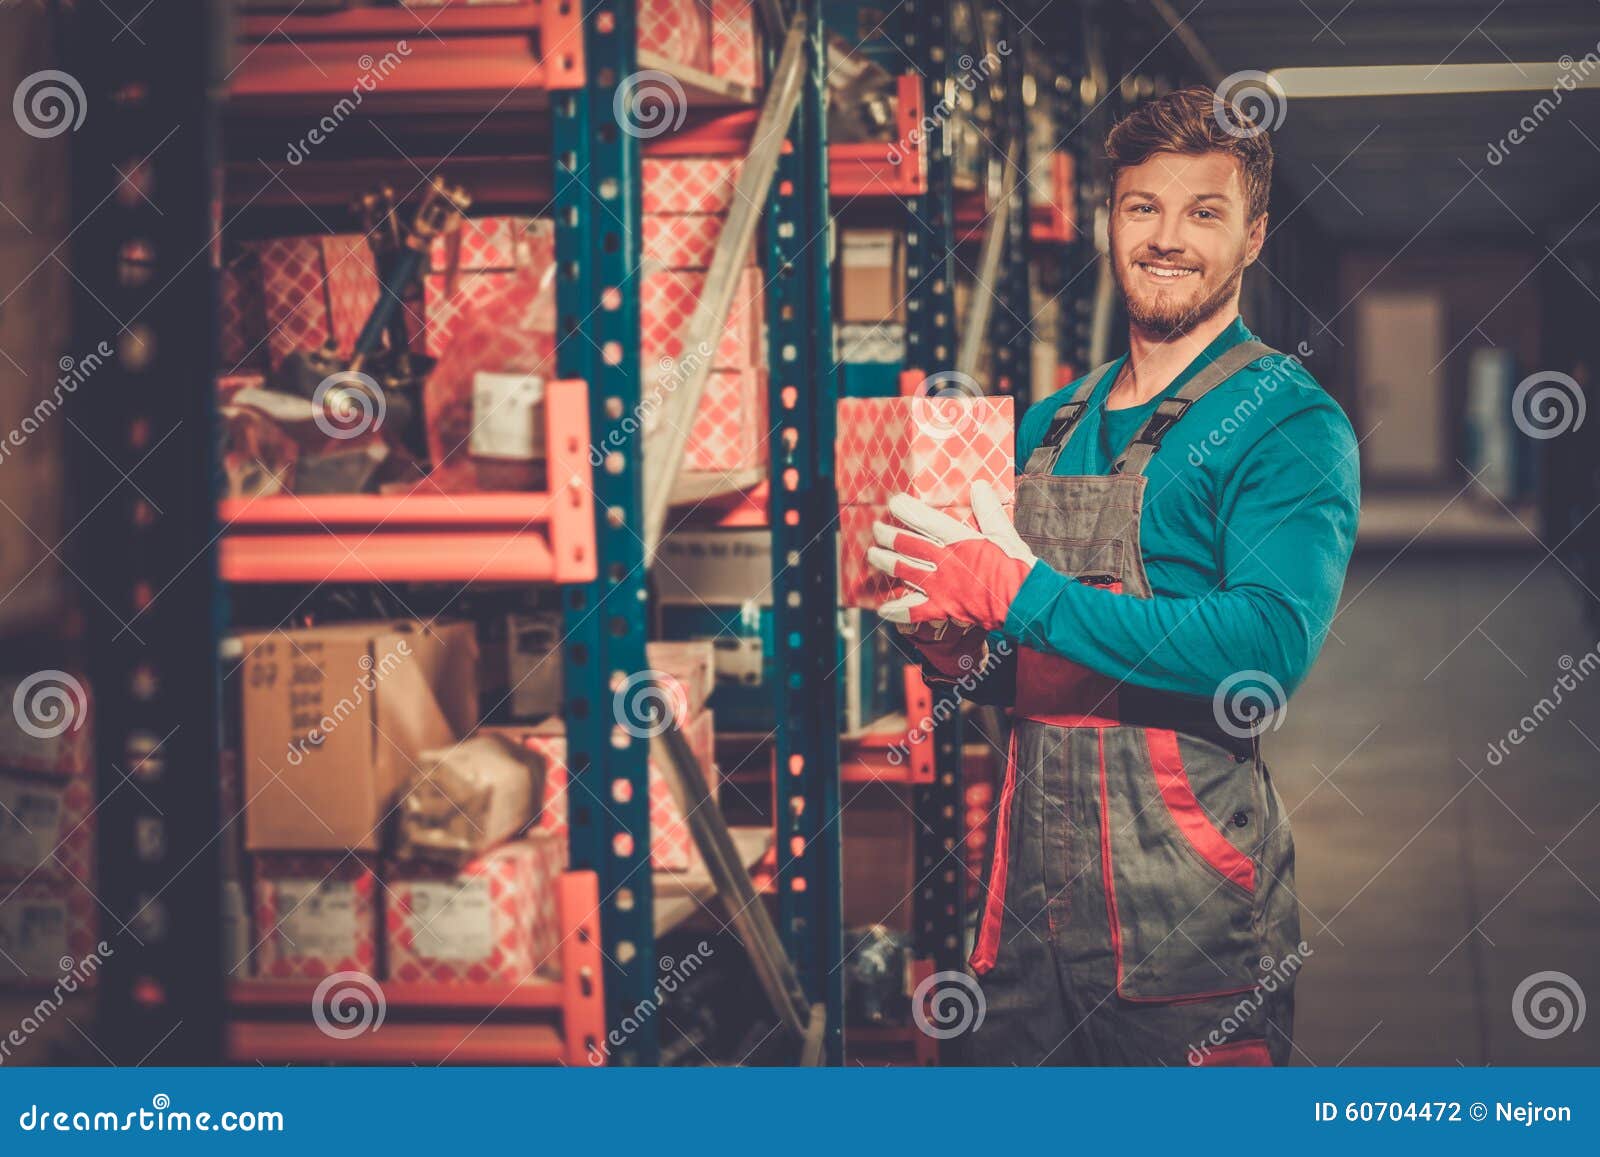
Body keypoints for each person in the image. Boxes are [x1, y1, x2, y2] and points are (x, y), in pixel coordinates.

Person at [865, 86, 1360, 1065]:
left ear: (1253, 236)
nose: (1167, 237)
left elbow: (1264, 648)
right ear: (1109, 219)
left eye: (1204, 212)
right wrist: (954, 648)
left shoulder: (1287, 422)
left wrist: (1018, 593)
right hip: (1024, 916)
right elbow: (1033, 660)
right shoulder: (1048, 424)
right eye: (1143, 207)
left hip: (1183, 914)